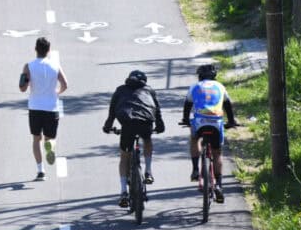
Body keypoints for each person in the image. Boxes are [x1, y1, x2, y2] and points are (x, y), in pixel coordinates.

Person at [102, 70, 165, 207]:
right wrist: (160, 125)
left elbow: (112, 111)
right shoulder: (149, 91)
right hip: (145, 123)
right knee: (147, 140)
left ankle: (124, 191)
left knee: (125, 156)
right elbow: (157, 110)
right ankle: (148, 171)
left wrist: (108, 126)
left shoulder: (120, 90)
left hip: (127, 124)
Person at [180, 64, 238, 203]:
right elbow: (228, 105)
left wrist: (185, 120)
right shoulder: (220, 86)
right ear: (214, 76)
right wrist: (231, 122)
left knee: (194, 139)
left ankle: (195, 170)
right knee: (217, 152)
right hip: (216, 122)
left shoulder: (195, 87)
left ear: (199, 76)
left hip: (200, 121)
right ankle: (218, 184)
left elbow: (187, 105)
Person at [19, 37, 68, 181]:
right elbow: (65, 84)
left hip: (35, 107)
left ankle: (40, 171)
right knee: (49, 138)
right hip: (51, 108)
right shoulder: (55, 66)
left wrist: (27, 82)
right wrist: (56, 93)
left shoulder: (28, 66)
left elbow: (22, 88)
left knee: (36, 139)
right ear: (48, 50)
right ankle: (50, 148)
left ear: (35, 49)